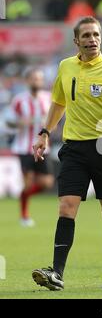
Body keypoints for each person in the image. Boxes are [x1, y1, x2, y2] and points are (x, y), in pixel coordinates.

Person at [31, 16, 102, 291]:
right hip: (73, 148)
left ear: (100, 38)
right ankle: (56, 273)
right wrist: (45, 132)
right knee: (66, 206)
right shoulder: (66, 66)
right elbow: (59, 102)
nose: (92, 39)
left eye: (96, 35)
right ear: (76, 41)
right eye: (86, 36)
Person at [6, 68, 54, 227]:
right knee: (27, 183)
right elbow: (9, 121)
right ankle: (24, 215)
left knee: (47, 183)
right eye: (33, 79)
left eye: (39, 79)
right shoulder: (19, 100)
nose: (36, 82)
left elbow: (56, 117)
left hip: (43, 148)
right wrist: (24, 122)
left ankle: (23, 196)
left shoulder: (48, 98)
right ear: (28, 81)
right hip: (24, 147)